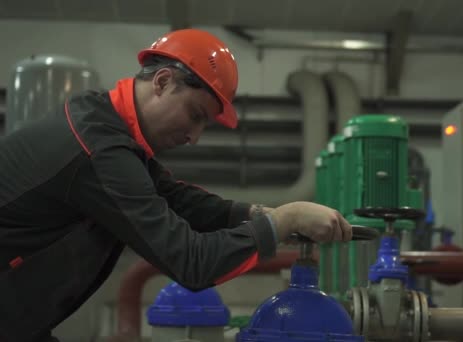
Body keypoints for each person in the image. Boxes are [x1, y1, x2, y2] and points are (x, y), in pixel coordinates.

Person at [0, 29, 352, 342]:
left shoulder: (105, 122)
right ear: (163, 82)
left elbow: (174, 198)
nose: (194, 138)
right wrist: (282, 223)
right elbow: (191, 263)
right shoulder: (100, 149)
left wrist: (257, 214)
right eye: (196, 116)